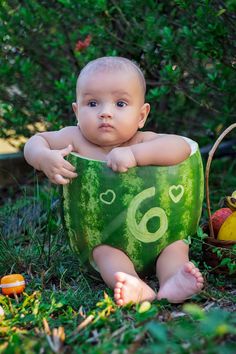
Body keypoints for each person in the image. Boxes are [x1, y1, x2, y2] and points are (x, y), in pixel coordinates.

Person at [24, 56, 204, 306]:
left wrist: (135, 155)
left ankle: (174, 279)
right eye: (93, 103)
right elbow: (35, 141)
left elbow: (181, 147)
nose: (105, 113)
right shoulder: (74, 138)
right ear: (77, 111)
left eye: (120, 103)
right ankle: (131, 283)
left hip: (162, 236)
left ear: (142, 115)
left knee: (175, 248)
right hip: (105, 239)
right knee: (104, 254)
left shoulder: (142, 141)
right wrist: (43, 156)